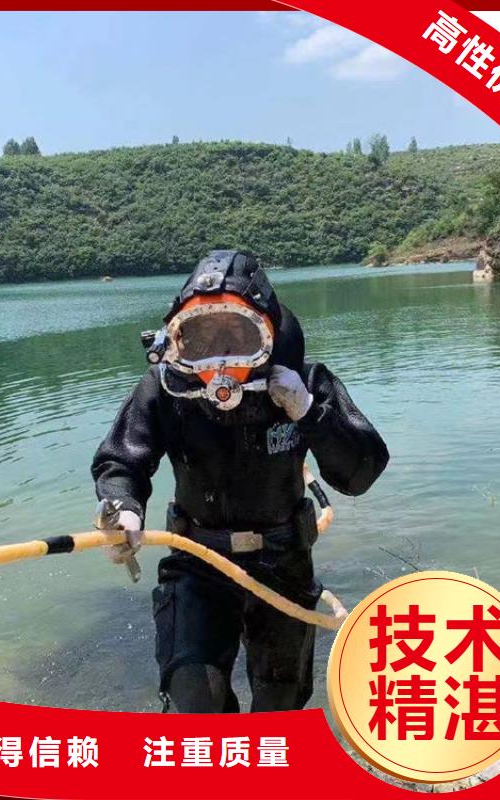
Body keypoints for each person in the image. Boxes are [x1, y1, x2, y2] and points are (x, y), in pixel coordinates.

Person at [91, 250, 389, 713]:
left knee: (280, 701)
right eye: (203, 338)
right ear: (177, 339)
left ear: (269, 335)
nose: (221, 361)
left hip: (283, 562)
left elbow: (360, 474)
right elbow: (122, 460)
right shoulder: (166, 389)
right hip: (197, 560)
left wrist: (311, 414)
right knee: (194, 696)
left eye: (238, 335)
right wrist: (123, 508)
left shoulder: (306, 383)